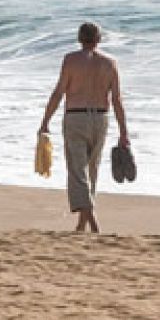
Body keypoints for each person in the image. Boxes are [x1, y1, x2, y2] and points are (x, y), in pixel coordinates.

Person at [37, 22, 128, 232]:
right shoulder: (110, 63)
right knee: (92, 170)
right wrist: (123, 132)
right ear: (99, 39)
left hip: (75, 118)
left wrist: (45, 121)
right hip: (100, 118)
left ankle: (92, 221)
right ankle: (81, 225)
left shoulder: (71, 60)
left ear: (79, 38)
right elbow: (117, 100)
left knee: (77, 171)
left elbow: (59, 92)